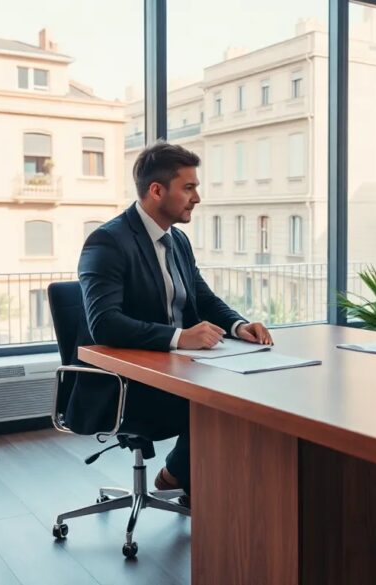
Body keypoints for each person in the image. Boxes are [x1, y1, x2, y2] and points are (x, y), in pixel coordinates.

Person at [76, 140, 273, 502]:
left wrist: (238, 326)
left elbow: (203, 299)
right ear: (156, 190)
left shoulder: (177, 241)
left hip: (181, 370)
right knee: (224, 403)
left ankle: (189, 481)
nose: (196, 197)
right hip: (128, 383)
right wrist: (180, 337)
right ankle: (186, 479)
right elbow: (104, 324)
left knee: (249, 391)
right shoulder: (107, 242)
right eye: (189, 187)